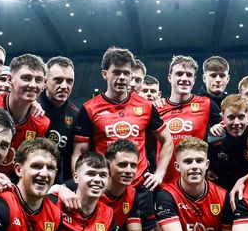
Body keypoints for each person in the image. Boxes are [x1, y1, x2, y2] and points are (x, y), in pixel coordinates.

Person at [72, 47, 173, 189]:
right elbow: (79, 153)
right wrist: (80, 185)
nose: (122, 78)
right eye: (116, 72)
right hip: (104, 187)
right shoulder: (89, 108)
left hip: (139, 186)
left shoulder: (146, 106)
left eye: (126, 73)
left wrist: (159, 174)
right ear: (105, 74)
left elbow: (167, 140)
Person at [158, 55, 222, 184]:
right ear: (170, 77)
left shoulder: (206, 104)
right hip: (164, 182)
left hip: (195, 182)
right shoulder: (156, 107)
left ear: (194, 80)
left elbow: (230, 127)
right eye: (179, 74)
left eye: (189, 75)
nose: (184, 78)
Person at [38, 56, 80, 183]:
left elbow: (71, 157)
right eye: (58, 80)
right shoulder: (30, 106)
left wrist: (70, 186)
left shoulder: (75, 114)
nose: (64, 86)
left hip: (54, 181)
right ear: (45, 81)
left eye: (69, 81)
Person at [207, 94, 248, 190]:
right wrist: (207, 170)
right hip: (222, 188)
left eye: (241, 117)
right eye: (231, 117)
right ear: (222, 118)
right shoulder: (212, 139)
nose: (236, 123)